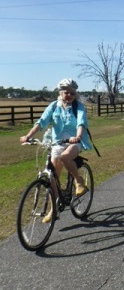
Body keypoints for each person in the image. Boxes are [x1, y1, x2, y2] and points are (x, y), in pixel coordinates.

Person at [20, 78, 92, 223]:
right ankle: (54, 209)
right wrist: (28, 136)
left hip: (74, 142)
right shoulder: (54, 106)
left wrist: (77, 136)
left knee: (66, 157)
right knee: (52, 177)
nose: (70, 96)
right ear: (60, 93)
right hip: (57, 143)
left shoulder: (78, 106)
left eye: (72, 93)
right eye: (67, 93)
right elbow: (42, 122)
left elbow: (81, 122)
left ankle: (79, 182)